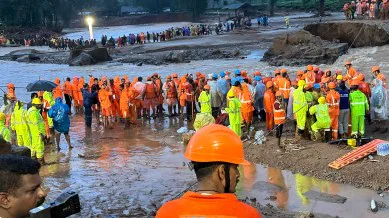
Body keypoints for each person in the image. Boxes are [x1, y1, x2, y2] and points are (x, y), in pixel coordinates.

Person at [156, 124, 262, 218]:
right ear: (222, 172)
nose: (238, 175)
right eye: (236, 168)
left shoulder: (166, 212)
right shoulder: (249, 214)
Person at [27, 98, 46, 164]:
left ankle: (33, 161)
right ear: (34, 105)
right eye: (39, 105)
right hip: (37, 134)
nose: (40, 106)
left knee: (34, 147)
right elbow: (36, 125)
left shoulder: (30, 110)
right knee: (39, 148)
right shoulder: (34, 113)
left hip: (33, 133)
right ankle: (41, 162)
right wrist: (40, 134)